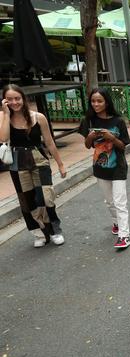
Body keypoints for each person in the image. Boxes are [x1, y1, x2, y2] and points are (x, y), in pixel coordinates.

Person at [0, 84, 66, 247]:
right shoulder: (3, 117)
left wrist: (60, 164)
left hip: (39, 160)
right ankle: (39, 233)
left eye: (17, 98)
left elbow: (50, 142)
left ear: (23, 98)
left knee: (45, 196)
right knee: (27, 200)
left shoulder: (38, 117)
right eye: (10, 99)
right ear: (4, 101)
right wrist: (6, 114)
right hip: (17, 162)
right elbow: (3, 138)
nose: (14, 102)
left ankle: (54, 230)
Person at [79, 88, 130, 249]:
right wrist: (90, 137)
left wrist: (111, 138)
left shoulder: (118, 121)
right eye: (93, 101)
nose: (96, 104)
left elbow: (123, 146)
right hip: (100, 167)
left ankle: (124, 235)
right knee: (109, 202)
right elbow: (88, 146)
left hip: (118, 167)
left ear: (106, 102)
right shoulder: (88, 121)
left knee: (120, 202)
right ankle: (116, 223)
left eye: (99, 101)